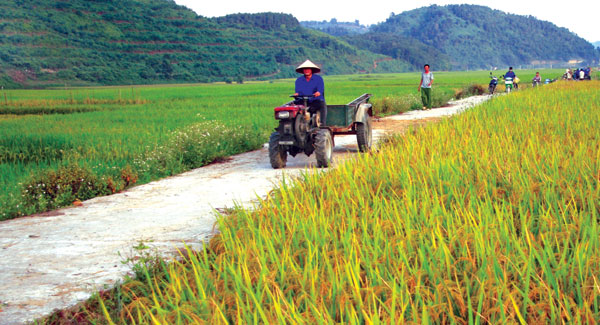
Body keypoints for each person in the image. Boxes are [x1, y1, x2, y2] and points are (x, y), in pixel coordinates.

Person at [293, 59, 326, 126]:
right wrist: (297, 94)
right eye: (305, 69)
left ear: (311, 70)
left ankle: (323, 124)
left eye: (308, 69)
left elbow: (320, 89)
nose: (306, 71)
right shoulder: (299, 80)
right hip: (303, 101)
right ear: (302, 71)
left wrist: (318, 92)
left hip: (315, 100)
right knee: (292, 106)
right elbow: (298, 92)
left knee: (321, 104)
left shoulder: (318, 79)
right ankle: (296, 125)